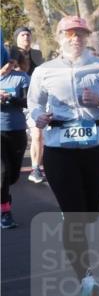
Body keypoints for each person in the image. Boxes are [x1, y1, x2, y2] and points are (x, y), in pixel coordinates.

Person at [27, 15, 99, 296]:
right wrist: (39, 117)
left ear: (88, 38)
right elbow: (33, 105)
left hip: (96, 149)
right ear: (59, 36)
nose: (75, 39)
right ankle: (86, 276)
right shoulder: (45, 71)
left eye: (81, 34)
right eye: (70, 33)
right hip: (60, 149)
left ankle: (75, 231)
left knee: (91, 214)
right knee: (74, 217)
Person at [10, 27, 46, 184]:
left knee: (38, 134)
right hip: (13, 101)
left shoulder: (37, 54)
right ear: (16, 38)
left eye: (28, 35)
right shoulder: (9, 53)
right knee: (13, 141)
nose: (26, 37)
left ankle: (36, 168)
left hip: (34, 100)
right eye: (22, 35)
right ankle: (9, 168)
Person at [1, 48, 31, 229]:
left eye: (10, 63)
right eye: (4, 63)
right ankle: (5, 212)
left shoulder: (21, 78)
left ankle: (5, 194)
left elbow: (28, 101)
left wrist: (10, 98)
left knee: (12, 176)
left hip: (16, 130)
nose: (6, 67)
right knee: (2, 173)